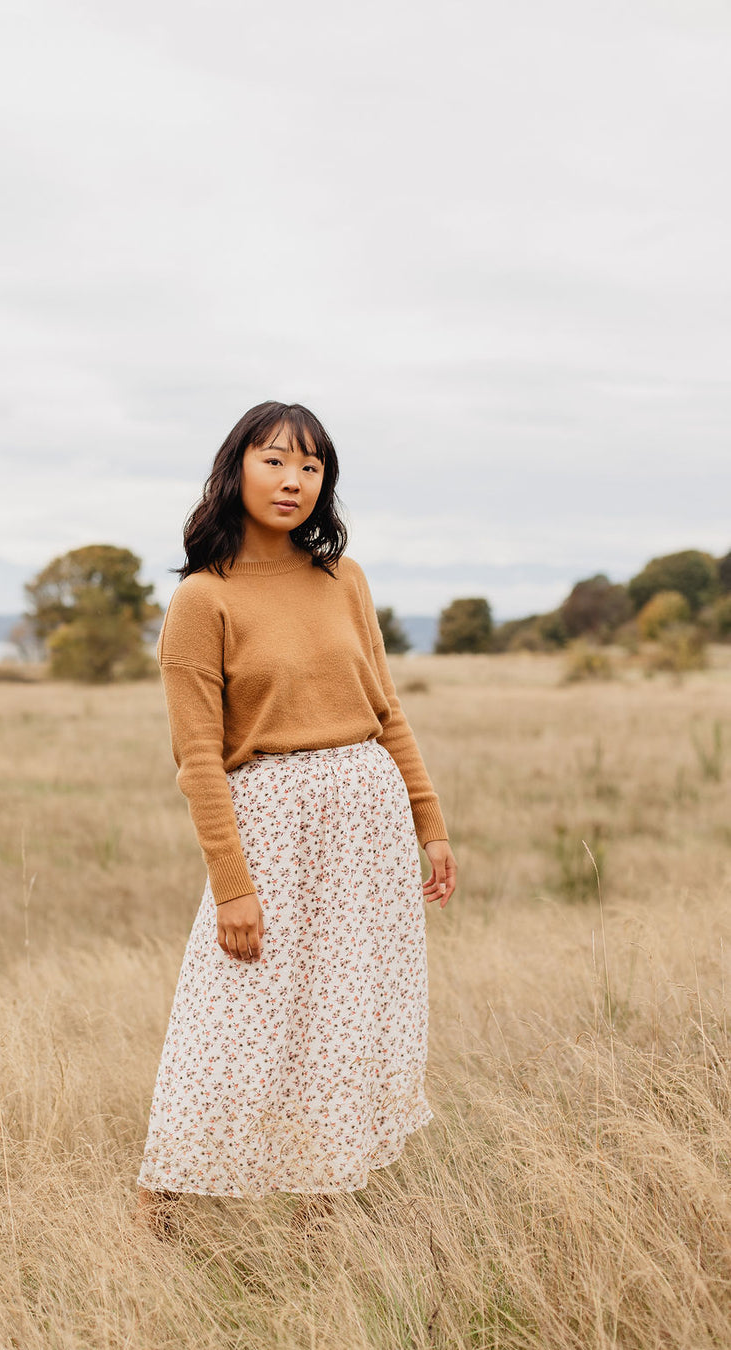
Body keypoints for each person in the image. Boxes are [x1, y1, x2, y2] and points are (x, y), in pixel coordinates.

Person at [134, 400, 457, 1236]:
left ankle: (326, 1201)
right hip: (270, 828)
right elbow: (198, 758)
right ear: (236, 468)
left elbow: (386, 711)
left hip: (368, 822)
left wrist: (431, 821)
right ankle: (160, 1209)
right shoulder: (203, 601)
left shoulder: (344, 580)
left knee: (353, 1008)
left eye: (311, 467)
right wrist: (232, 885)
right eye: (275, 460)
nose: (293, 481)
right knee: (230, 1019)